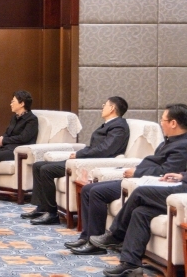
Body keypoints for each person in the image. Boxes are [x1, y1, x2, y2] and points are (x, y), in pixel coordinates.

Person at [66, 103, 187, 256]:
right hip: (140, 180)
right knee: (88, 189)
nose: (161, 123)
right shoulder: (169, 141)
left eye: (163, 120)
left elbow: (166, 171)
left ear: (173, 123)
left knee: (97, 192)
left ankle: (103, 241)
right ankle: (87, 238)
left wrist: (137, 172)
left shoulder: (182, 145)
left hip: (147, 182)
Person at [24, 96, 130, 225]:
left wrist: (79, 154)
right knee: (38, 165)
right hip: (85, 159)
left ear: (112, 108)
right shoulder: (111, 124)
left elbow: (105, 150)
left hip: (92, 163)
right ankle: (42, 207)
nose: (102, 108)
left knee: (46, 170)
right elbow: (97, 147)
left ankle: (51, 214)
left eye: (105, 105)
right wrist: (80, 154)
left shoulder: (119, 127)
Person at [90, 173, 187, 277]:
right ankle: (131, 264)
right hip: (182, 188)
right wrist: (182, 176)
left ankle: (116, 235)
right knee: (140, 212)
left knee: (140, 193)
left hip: (183, 192)